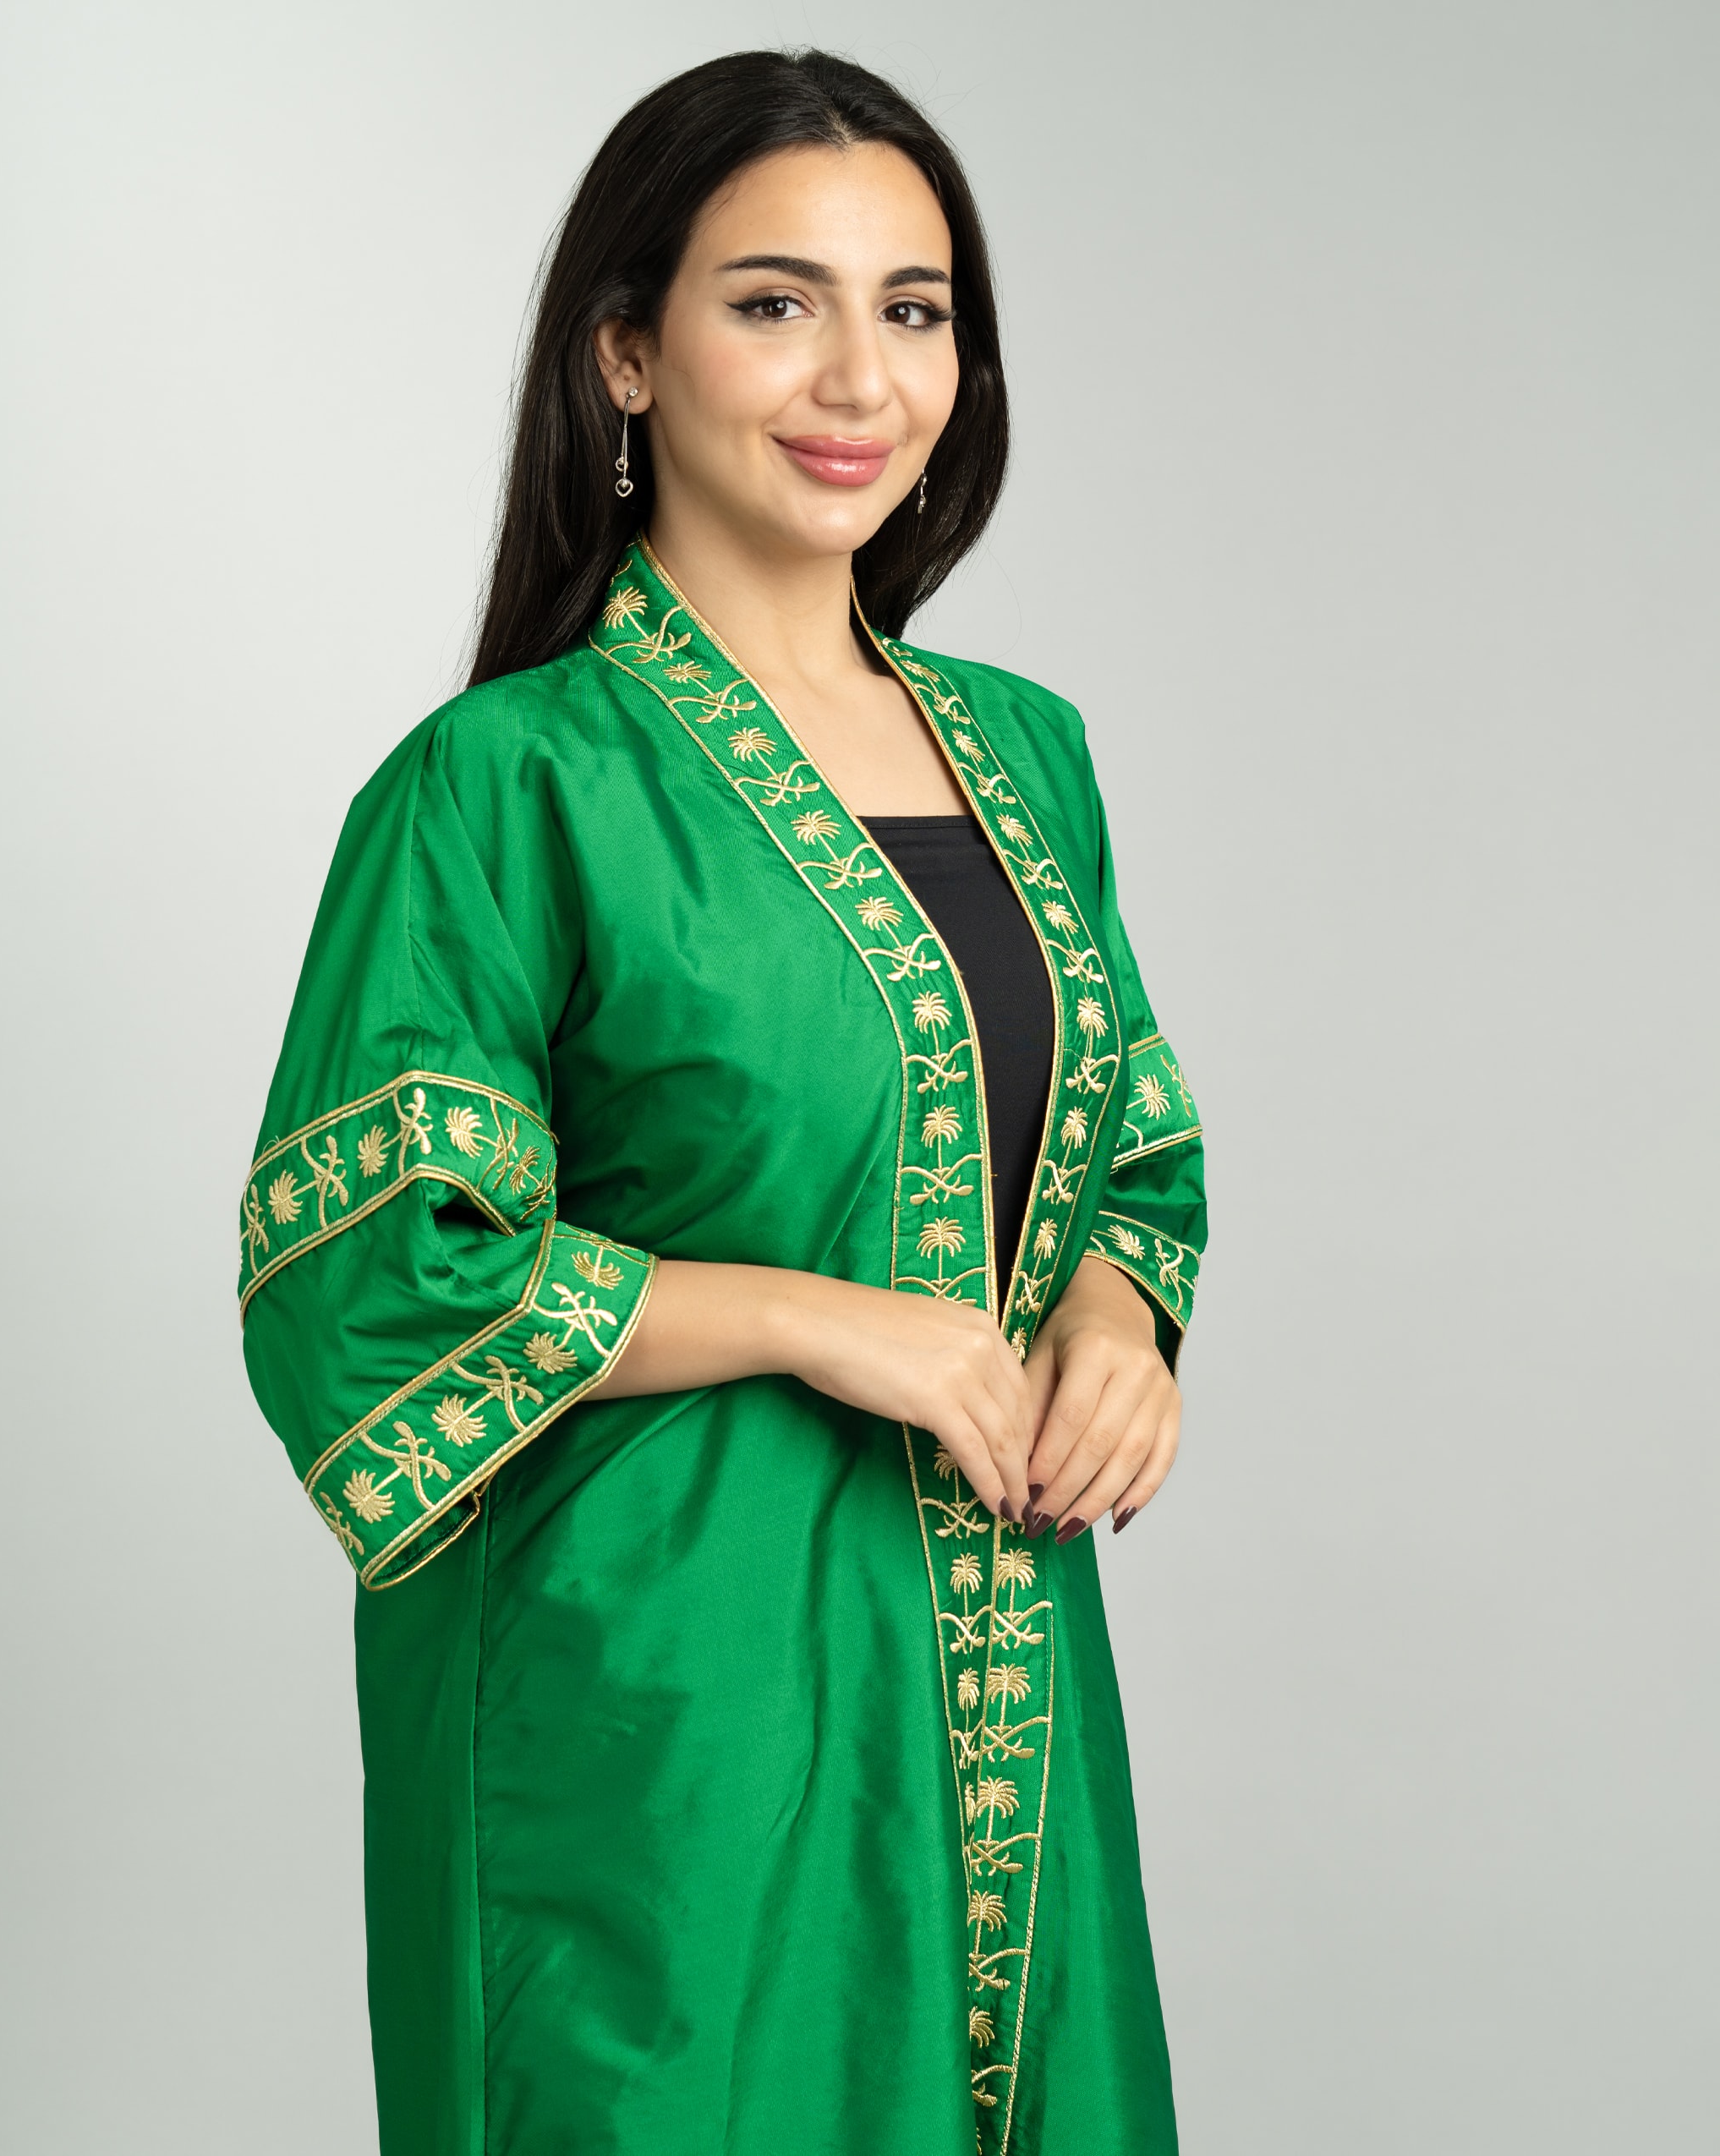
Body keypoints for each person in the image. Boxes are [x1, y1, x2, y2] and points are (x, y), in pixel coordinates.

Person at [238, 47, 1207, 2156]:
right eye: (776, 303)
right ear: (626, 352)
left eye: (913, 309)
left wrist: (1117, 1327)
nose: (859, 376)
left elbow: (1127, 1152)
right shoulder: (503, 786)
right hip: (658, 1710)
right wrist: (811, 1319)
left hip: (993, 1673)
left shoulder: (1028, 757)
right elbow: (373, 1279)